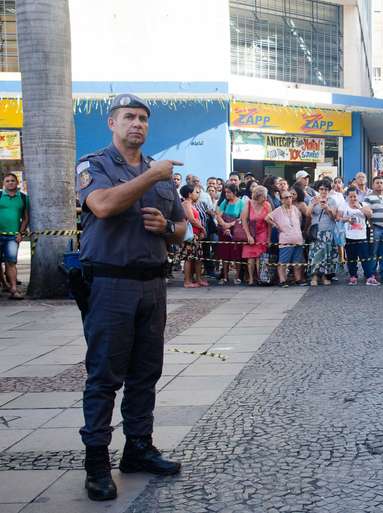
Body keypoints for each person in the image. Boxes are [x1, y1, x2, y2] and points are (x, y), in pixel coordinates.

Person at [76, 94, 185, 501]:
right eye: (128, 117)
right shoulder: (96, 165)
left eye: (142, 118)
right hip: (110, 284)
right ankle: (96, 463)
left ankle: (138, 448)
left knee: (146, 373)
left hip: (152, 284)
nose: (136, 124)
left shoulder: (159, 172)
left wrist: (165, 228)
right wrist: (151, 177)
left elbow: (181, 228)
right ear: (112, 123)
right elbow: (102, 205)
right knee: (104, 376)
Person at [266, 189, 305, 287]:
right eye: (286, 197)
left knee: (297, 261)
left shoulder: (295, 209)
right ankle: (282, 280)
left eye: (290, 197)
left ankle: (298, 279)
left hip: (298, 239)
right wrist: (275, 225)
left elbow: (299, 220)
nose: (289, 199)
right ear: (282, 200)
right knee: (283, 261)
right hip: (285, 239)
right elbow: (267, 218)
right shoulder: (278, 210)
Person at [0, 173, 28, 299]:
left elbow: (26, 218)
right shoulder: (0, 195)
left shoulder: (22, 197)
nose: (10, 183)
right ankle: (4, 284)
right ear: (3, 184)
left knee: (11, 262)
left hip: (13, 236)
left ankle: (13, 289)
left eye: (12, 180)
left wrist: (20, 233)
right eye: (7, 181)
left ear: (17, 183)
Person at [307, 180, 340, 286]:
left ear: (329, 190)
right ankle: (314, 277)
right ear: (318, 190)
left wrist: (327, 208)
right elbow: (308, 214)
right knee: (316, 254)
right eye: (321, 189)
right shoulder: (313, 199)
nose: (323, 191)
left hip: (328, 231)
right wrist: (313, 204)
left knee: (327, 254)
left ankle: (325, 276)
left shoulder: (332, 201)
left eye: (326, 189)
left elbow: (334, 217)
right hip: (316, 231)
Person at [363, 176, 383, 284]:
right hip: (375, 228)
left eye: (381, 182)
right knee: (373, 253)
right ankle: (371, 274)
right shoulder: (368, 197)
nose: (379, 184)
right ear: (373, 185)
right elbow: (367, 214)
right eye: (377, 182)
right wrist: (371, 225)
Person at [341, 187, 374, 285]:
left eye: (354, 196)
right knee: (351, 258)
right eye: (350, 196)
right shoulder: (344, 205)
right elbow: (338, 217)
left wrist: (358, 207)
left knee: (365, 257)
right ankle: (353, 276)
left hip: (362, 236)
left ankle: (368, 276)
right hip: (349, 236)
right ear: (347, 197)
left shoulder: (364, 204)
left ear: (358, 196)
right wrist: (347, 219)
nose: (353, 198)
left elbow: (370, 214)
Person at [241, 184, 271, 286]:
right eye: (264, 196)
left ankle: (260, 277)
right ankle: (251, 278)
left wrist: (269, 237)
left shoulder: (267, 205)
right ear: (258, 196)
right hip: (251, 232)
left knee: (260, 256)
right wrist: (248, 235)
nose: (266, 198)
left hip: (263, 232)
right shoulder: (248, 203)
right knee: (250, 256)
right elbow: (244, 220)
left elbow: (270, 223)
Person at [179, 185, 208, 288]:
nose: (197, 194)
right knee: (189, 258)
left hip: (195, 235)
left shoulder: (191, 204)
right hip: (190, 236)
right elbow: (191, 219)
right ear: (189, 194)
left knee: (198, 258)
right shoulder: (186, 204)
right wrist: (202, 228)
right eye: (196, 192)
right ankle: (187, 281)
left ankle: (198, 279)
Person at [215, 183, 245, 285]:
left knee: (237, 254)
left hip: (235, 231)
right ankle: (225, 276)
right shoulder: (225, 202)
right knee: (225, 255)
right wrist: (224, 225)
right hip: (224, 232)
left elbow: (241, 218)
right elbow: (218, 215)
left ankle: (237, 276)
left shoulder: (241, 203)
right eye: (226, 192)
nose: (227, 194)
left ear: (235, 192)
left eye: (229, 192)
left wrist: (230, 225)